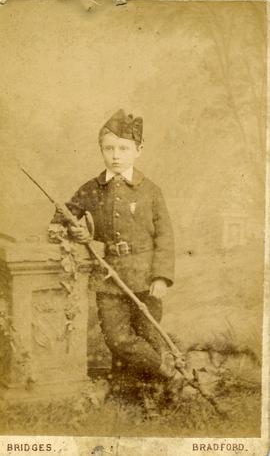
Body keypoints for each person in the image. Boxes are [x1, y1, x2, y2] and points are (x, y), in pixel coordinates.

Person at [50, 109, 183, 409]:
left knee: (149, 335)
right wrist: (69, 231)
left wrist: (161, 277)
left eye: (123, 148)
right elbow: (65, 215)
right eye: (108, 148)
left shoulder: (151, 191)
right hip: (108, 277)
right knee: (117, 337)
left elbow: (165, 237)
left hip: (146, 278)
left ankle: (148, 394)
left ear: (139, 150)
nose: (116, 156)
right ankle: (168, 374)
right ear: (101, 150)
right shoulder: (91, 188)